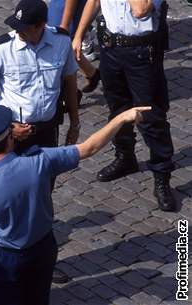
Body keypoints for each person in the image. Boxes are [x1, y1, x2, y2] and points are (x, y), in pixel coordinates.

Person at [0, 104, 151, 305]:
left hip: (7, 257)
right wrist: (121, 118)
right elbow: (89, 147)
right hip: (42, 247)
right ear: (10, 137)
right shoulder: (39, 161)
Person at [0, 0, 80, 296]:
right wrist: (5, 125)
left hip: (45, 132)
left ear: (40, 26)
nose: (17, 32)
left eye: (23, 28)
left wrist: (75, 120)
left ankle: (39, 257)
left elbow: (69, 79)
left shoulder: (60, 41)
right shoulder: (2, 48)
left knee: (40, 195)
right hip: (12, 138)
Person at [72, 0, 176, 211]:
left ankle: (162, 176)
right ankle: (125, 157)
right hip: (110, 49)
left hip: (142, 53)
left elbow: (140, 10)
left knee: (150, 118)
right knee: (117, 109)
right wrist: (79, 34)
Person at [47, 0, 101, 92]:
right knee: (68, 50)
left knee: (60, 53)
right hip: (58, 7)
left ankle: (71, 92)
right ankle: (91, 73)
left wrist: (65, 24)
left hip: (66, 10)